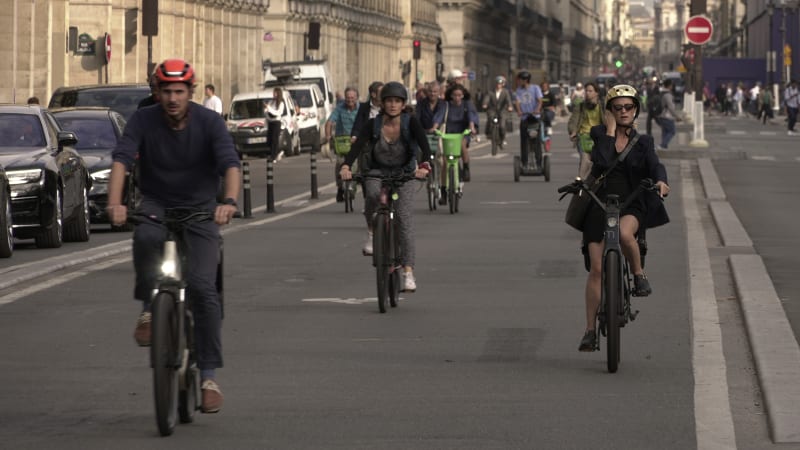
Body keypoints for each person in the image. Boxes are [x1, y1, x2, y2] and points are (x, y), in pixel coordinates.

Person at [106, 58, 242, 413]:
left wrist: (228, 202)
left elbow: (229, 163)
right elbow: (122, 159)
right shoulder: (143, 119)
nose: (172, 98)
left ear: (190, 93)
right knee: (145, 238)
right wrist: (115, 202)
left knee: (202, 286)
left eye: (179, 91)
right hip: (157, 203)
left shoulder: (209, 122)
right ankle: (149, 309)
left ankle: (209, 375)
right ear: (157, 91)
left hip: (200, 209)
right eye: (166, 91)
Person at [577, 84, 670, 352]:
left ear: (635, 109)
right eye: (617, 108)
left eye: (628, 107)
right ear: (610, 112)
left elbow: (655, 164)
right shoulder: (598, 134)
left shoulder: (644, 142)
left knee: (626, 234)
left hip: (631, 202)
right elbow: (604, 162)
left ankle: (639, 275)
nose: (624, 112)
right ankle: (590, 331)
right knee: (596, 269)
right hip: (600, 203)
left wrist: (661, 181)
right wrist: (608, 131)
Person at [339, 81, 431, 292]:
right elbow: (357, 147)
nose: (392, 105)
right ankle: (372, 231)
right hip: (376, 171)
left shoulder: (411, 123)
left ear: (403, 104)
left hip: (405, 174)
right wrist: (345, 165)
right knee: (371, 195)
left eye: (397, 101)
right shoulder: (373, 124)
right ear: (382, 103)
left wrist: (425, 165)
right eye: (388, 101)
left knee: (404, 219)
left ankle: (408, 272)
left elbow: (425, 149)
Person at [433, 83, 478, 189]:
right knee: (444, 160)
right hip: (448, 134)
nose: (457, 97)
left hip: (463, 132)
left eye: (459, 95)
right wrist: (434, 127)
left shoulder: (467, 104)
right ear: (451, 95)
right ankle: (443, 188)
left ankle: (466, 167)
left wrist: (472, 126)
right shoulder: (446, 105)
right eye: (455, 95)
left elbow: (471, 115)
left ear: (463, 95)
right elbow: (439, 116)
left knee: (462, 145)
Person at [326, 87, 360, 202]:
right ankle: (340, 188)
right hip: (341, 142)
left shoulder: (361, 109)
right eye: (348, 98)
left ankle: (352, 188)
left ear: (356, 98)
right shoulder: (340, 108)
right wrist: (328, 137)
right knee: (340, 164)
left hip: (355, 142)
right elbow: (329, 122)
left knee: (355, 166)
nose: (350, 100)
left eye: (352, 98)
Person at [567, 82, 602, 179]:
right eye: (586, 91)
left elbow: (608, 121)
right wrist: (573, 131)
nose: (587, 93)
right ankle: (581, 182)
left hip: (599, 137)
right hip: (583, 136)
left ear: (596, 93)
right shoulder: (581, 106)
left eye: (590, 91)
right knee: (585, 159)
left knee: (599, 161)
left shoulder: (602, 107)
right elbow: (573, 120)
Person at [514, 70, 543, 168]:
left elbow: (539, 101)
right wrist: (519, 111)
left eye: (521, 79)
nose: (519, 81)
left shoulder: (535, 88)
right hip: (525, 118)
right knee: (524, 141)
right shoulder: (519, 90)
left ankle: (539, 163)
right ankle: (524, 163)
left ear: (526, 80)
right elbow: (517, 102)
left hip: (535, 118)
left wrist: (537, 109)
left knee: (537, 142)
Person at [481, 76, 513, 149]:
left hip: (502, 111)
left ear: (503, 84)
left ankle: (502, 139)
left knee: (502, 125)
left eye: (500, 84)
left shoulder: (505, 92)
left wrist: (510, 106)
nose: (498, 85)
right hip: (492, 110)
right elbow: (487, 98)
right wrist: (485, 104)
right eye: (497, 83)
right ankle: (488, 133)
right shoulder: (490, 91)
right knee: (490, 119)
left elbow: (508, 100)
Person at [654, 78, 682, 150]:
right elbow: (671, 108)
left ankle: (664, 146)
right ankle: (662, 145)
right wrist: (677, 116)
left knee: (665, 131)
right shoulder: (668, 95)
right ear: (669, 85)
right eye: (672, 85)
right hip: (667, 116)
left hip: (661, 115)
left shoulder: (662, 93)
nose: (673, 86)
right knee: (672, 131)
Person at [265, 87, 286, 162]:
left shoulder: (281, 103)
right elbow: (267, 111)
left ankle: (273, 156)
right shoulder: (271, 102)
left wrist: (269, 109)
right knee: (269, 140)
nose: (274, 94)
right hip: (270, 122)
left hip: (276, 122)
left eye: (275, 93)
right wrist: (266, 110)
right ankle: (277, 153)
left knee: (274, 139)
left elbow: (277, 113)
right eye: (273, 93)